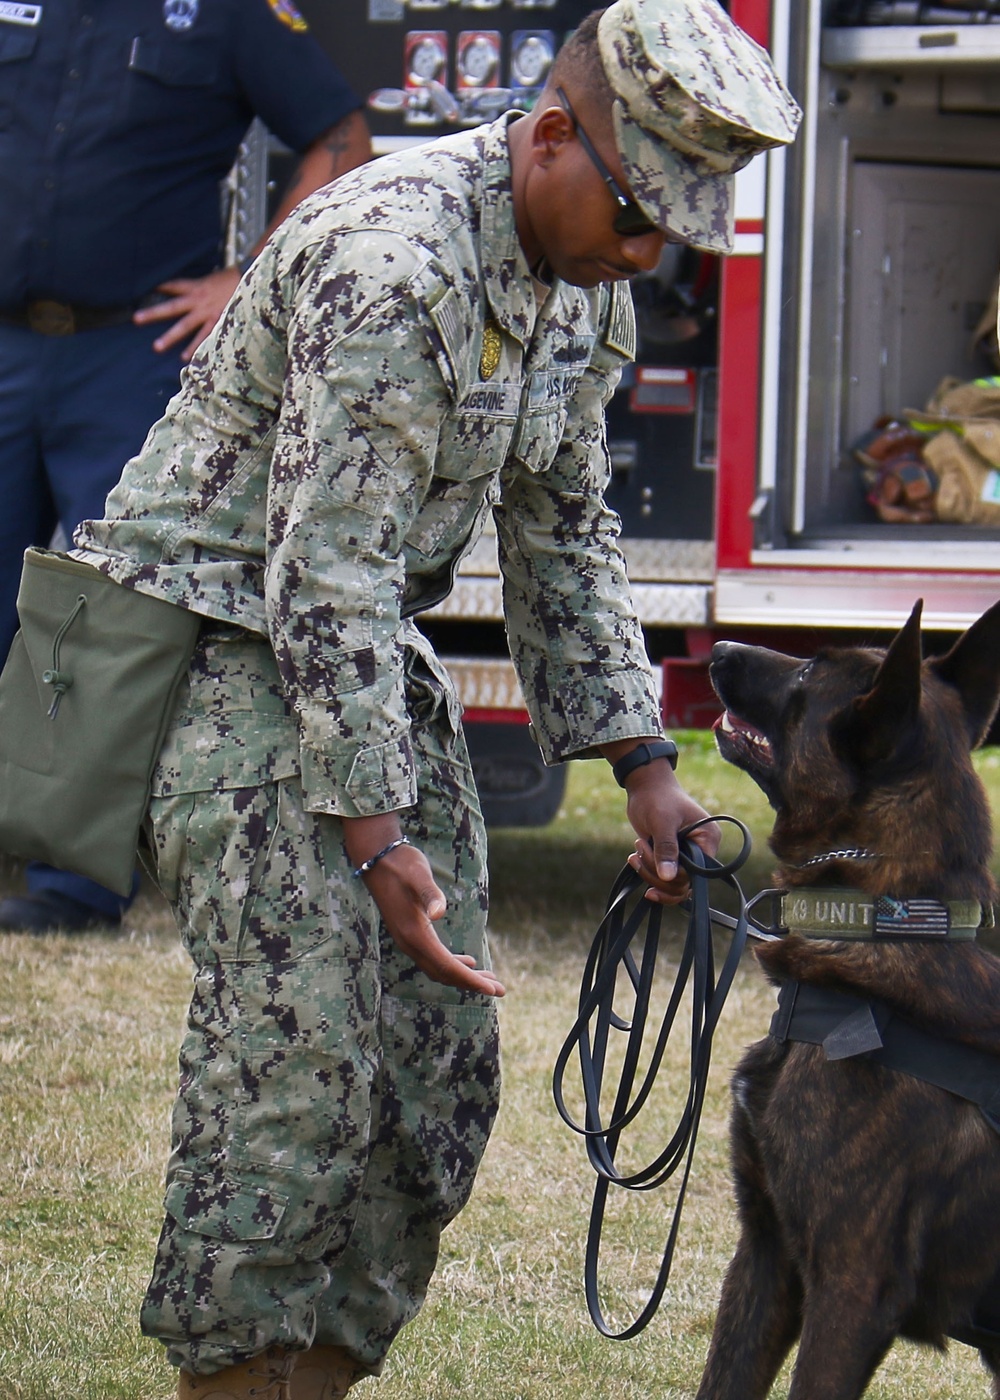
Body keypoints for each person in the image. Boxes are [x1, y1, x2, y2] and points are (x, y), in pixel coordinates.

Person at [71, 0, 801, 1395]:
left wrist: (642, 765)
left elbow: (565, 527)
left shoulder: (581, 286)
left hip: (352, 659)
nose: (646, 257)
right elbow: (324, 567)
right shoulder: (394, 256)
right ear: (543, 139)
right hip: (229, 648)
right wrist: (376, 837)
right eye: (641, 215)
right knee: (293, 1085)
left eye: (671, 237)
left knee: (435, 1085)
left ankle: (313, 1378)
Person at [0, 0, 371, 934]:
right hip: (4, 342)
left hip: (128, 355)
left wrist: (248, 282)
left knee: (102, 627)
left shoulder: (223, 12)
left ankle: (71, 885)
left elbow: (341, 138)